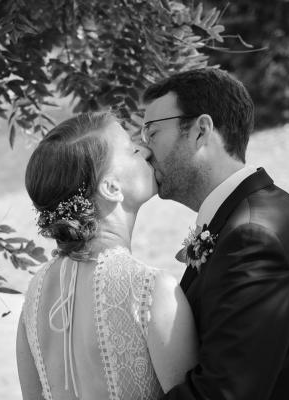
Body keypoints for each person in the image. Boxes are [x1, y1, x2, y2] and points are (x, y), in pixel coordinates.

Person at [140, 68, 289, 400]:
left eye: (152, 132)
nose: (145, 150)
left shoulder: (253, 239)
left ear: (201, 131)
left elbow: (222, 393)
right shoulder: (247, 219)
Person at [16, 112, 198, 400]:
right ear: (111, 188)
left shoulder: (34, 297)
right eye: (131, 150)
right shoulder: (150, 291)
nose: (146, 151)